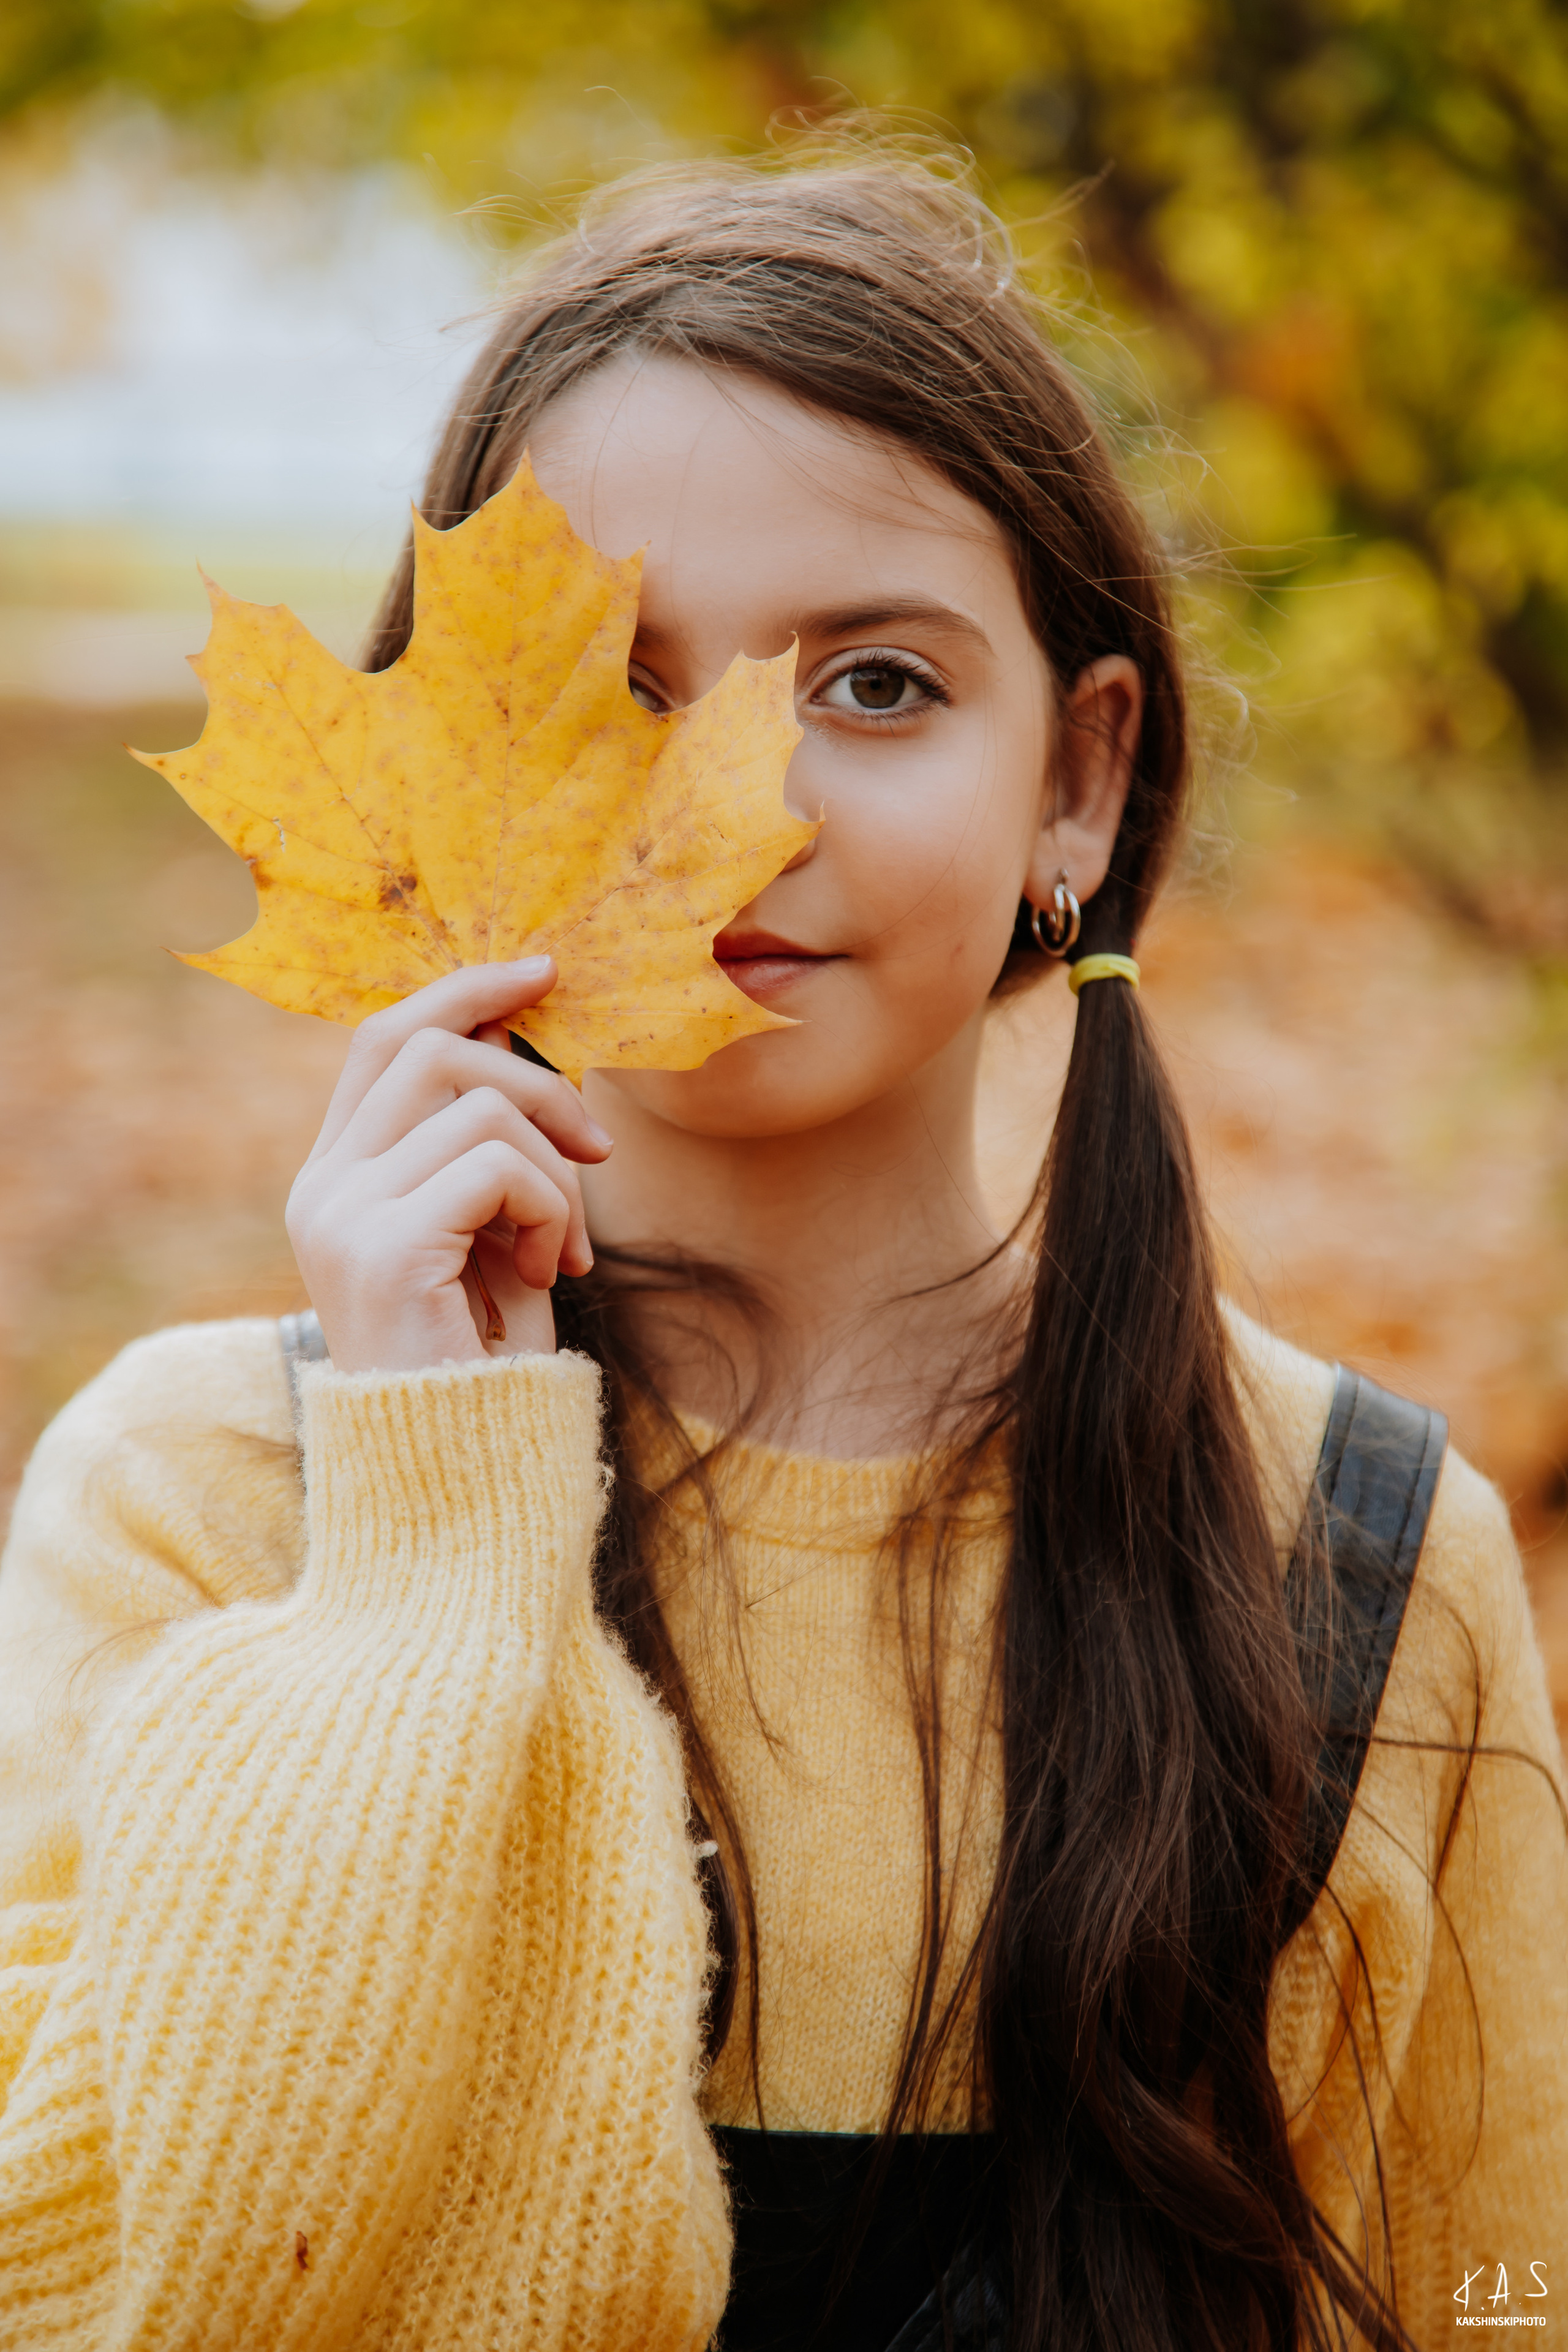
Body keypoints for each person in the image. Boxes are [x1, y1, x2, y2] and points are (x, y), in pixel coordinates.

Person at [0, 146, 1562, 2352]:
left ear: (1078, 787)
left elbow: (1494, 2296)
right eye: (618, 693)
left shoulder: (1359, 1566)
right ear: (439, 769)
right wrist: (427, 1551)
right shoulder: (198, 1507)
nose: (740, 808)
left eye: (880, 687)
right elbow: (117, 2304)